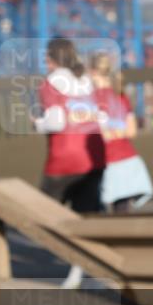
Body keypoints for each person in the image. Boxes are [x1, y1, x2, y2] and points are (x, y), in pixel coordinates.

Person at [34, 37, 106, 288]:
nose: (44, 61)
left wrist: (37, 123)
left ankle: (75, 262)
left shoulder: (51, 83)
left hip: (64, 158)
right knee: (85, 216)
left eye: (47, 56)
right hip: (94, 154)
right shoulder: (87, 80)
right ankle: (84, 268)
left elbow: (56, 122)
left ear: (53, 59)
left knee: (40, 214)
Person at [89, 52, 153, 213]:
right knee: (122, 211)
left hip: (105, 163)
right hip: (127, 160)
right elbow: (131, 131)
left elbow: (100, 134)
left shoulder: (91, 99)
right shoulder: (120, 96)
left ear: (93, 72)